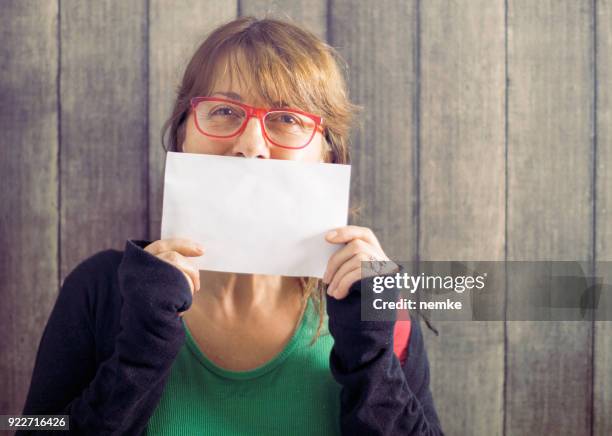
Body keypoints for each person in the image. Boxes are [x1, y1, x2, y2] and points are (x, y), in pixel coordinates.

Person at [19, 17, 443, 435]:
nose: (250, 147)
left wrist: (371, 355)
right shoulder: (100, 288)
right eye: (223, 110)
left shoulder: (378, 301)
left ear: (327, 155)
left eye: (287, 118)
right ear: (183, 137)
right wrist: (139, 351)